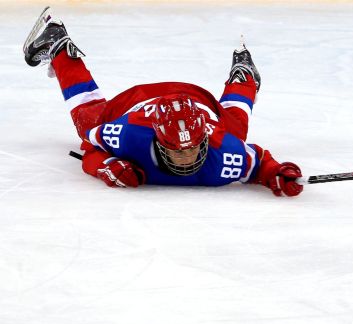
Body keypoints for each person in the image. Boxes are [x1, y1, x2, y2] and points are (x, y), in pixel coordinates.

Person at [23, 7, 303, 197]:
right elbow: (91, 148)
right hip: (139, 102)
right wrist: (105, 164)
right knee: (90, 125)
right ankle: (59, 46)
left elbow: (260, 163)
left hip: (195, 99)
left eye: (191, 149)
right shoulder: (128, 135)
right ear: (158, 141)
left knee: (234, 133)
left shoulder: (225, 151)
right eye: (177, 150)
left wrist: (276, 174)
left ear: (203, 137)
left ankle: (245, 75)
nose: (186, 157)